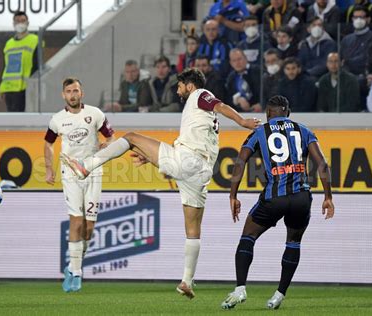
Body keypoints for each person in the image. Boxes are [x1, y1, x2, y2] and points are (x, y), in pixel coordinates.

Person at [59, 68, 260, 299]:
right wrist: (150, 156)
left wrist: (243, 121)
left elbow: (221, 106)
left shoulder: (200, 95)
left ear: (190, 85)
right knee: (193, 231)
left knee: (132, 137)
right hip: (201, 173)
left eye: (180, 85)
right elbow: (188, 145)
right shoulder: (199, 116)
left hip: (188, 160)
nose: (177, 89)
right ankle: (187, 280)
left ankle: (87, 166)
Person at [220, 95, 334, 310]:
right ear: (287, 112)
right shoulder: (304, 130)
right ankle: (279, 295)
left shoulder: (259, 132)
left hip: (275, 198)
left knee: (248, 236)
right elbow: (323, 164)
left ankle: (240, 289)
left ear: (268, 113)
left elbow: (240, 161)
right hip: (301, 198)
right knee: (293, 242)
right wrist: (328, 197)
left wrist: (232, 195)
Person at [44, 77, 115, 292]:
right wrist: (49, 168)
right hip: (71, 174)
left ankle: (73, 264)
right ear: (63, 95)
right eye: (69, 91)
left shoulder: (95, 114)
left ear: (81, 93)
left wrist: (106, 145)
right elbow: (48, 143)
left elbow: (111, 137)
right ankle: (77, 273)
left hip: (93, 172)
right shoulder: (57, 120)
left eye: (76, 90)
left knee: (89, 227)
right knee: (75, 222)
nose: (73, 94)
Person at [0, 11, 39, 112]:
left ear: (27, 23)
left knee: (21, 120)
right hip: (9, 88)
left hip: (25, 88)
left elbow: (37, 64)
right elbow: (5, 67)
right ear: (13, 24)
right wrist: (2, 88)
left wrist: (33, 85)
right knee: (11, 120)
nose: (20, 23)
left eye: (23, 21)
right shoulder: (9, 44)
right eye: (17, 21)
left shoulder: (34, 40)